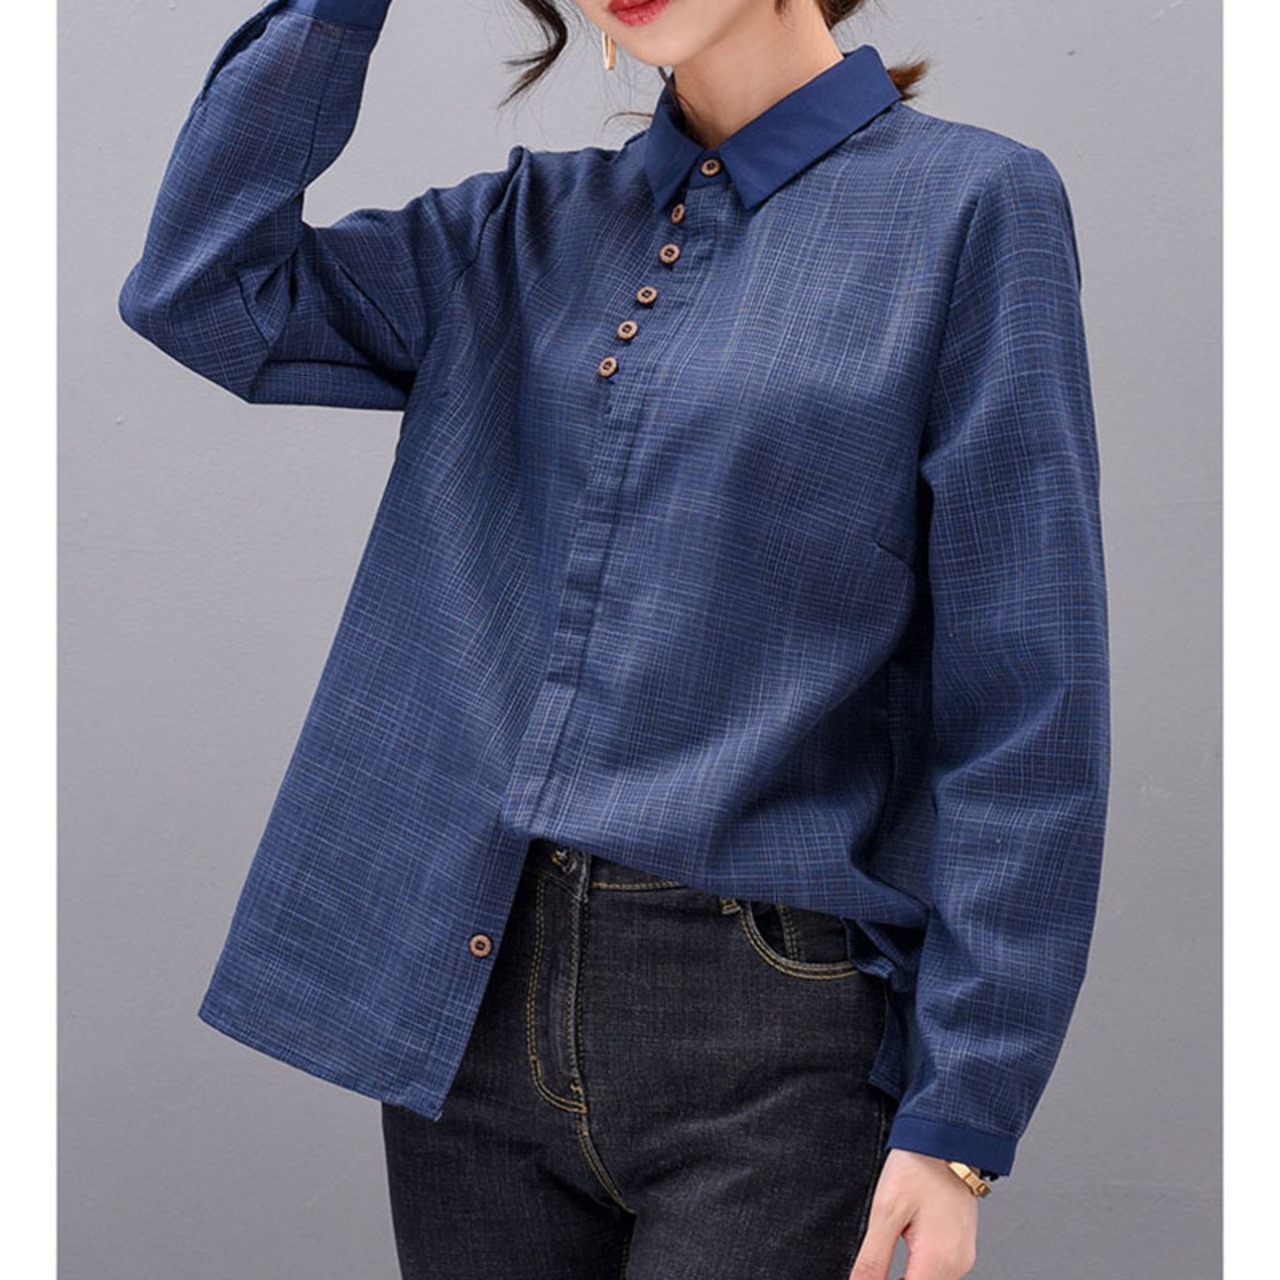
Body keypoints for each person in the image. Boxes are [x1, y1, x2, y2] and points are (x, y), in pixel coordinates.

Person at [117, 1, 1110, 1277]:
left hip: (767, 1028)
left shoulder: (970, 206)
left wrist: (960, 1113)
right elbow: (208, 293)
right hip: (470, 996)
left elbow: (1025, 687)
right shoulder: (522, 226)